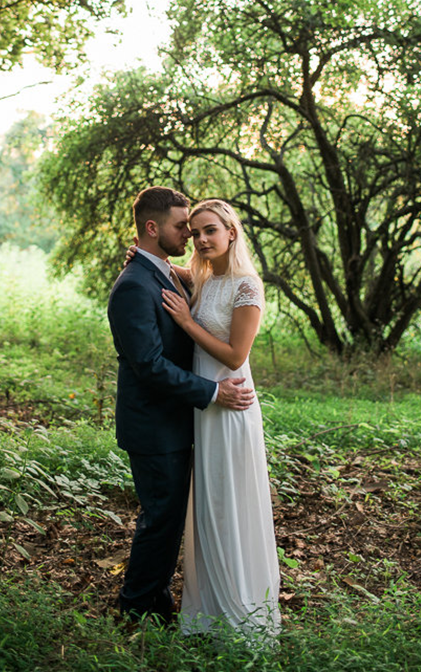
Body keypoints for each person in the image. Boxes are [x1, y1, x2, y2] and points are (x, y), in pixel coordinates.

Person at [107, 186, 255, 625]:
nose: (190, 236)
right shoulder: (135, 285)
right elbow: (149, 366)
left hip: (179, 420)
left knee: (171, 519)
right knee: (160, 520)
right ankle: (135, 609)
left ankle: (157, 600)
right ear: (153, 228)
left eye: (200, 230)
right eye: (182, 227)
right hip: (154, 425)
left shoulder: (167, 272)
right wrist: (212, 393)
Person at [162, 198, 280, 643]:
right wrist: (150, 257)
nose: (202, 239)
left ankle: (241, 615)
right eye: (195, 233)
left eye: (210, 230)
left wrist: (187, 322)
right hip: (205, 410)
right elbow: (184, 274)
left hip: (230, 408)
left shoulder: (247, 287)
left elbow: (235, 355)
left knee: (230, 505)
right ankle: (206, 611)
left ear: (232, 231)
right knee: (208, 507)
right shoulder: (206, 278)